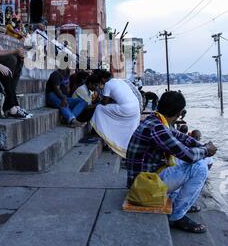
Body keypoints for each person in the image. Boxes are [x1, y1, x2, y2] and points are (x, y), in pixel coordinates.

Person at [126, 91, 217, 233]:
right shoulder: (157, 127)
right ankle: (177, 216)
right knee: (200, 167)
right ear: (178, 112)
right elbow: (188, 155)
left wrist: (203, 147)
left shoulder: (156, 120)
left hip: (146, 177)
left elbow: (181, 138)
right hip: (143, 185)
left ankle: (178, 201)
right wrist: (206, 150)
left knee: (204, 159)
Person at [0, 18, 31, 118]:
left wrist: (18, 54)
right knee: (11, 60)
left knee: (19, 59)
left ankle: (15, 105)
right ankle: (12, 106)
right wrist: (14, 51)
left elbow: (1, 50)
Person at [90, 73, 141, 158]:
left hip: (125, 109)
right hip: (136, 108)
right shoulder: (120, 81)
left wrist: (98, 101)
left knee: (99, 108)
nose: (99, 84)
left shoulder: (108, 84)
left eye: (99, 82)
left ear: (103, 79)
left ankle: (96, 130)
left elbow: (105, 103)